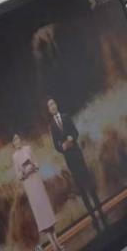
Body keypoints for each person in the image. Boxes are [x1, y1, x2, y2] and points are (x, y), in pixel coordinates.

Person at [47, 98, 108, 232]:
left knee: (90, 185)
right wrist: (62, 147)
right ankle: (93, 217)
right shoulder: (52, 126)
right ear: (49, 110)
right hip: (70, 160)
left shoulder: (66, 117)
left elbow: (75, 132)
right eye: (50, 106)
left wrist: (71, 138)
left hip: (78, 156)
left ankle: (101, 212)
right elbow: (56, 145)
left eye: (53, 104)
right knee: (81, 189)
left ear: (56, 105)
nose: (52, 107)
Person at [11, 134, 64, 251]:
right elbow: (18, 175)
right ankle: (53, 245)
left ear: (20, 140)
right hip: (29, 185)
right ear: (13, 144)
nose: (17, 142)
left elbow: (37, 163)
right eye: (15, 141)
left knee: (46, 210)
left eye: (18, 140)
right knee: (40, 213)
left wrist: (33, 166)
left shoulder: (28, 148)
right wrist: (24, 172)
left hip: (36, 181)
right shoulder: (15, 157)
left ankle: (57, 242)